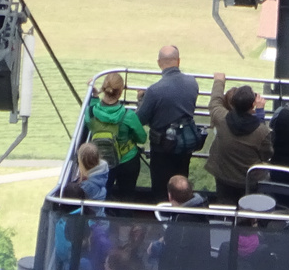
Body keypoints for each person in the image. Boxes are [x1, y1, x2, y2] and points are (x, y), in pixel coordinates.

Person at [137, 45, 201, 201]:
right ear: (178, 61)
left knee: (160, 189)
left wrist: (141, 100)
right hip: (185, 144)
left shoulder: (154, 90)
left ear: (159, 63)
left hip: (161, 149)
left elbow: (140, 119)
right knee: (181, 184)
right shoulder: (193, 83)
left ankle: (161, 218)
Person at [205, 74, 273, 205]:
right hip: (248, 179)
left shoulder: (221, 118)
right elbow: (267, 154)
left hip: (223, 175)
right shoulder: (262, 131)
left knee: (224, 207)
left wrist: (219, 81)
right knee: (248, 208)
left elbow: (215, 101)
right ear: (253, 104)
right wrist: (260, 112)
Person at [84, 71, 147, 198]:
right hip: (127, 161)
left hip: (102, 161)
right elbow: (142, 138)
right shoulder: (128, 115)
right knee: (127, 196)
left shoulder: (90, 113)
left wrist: (95, 97)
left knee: (103, 195)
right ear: (120, 92)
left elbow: (90, 121)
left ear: (104, 89)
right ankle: (125, 215)